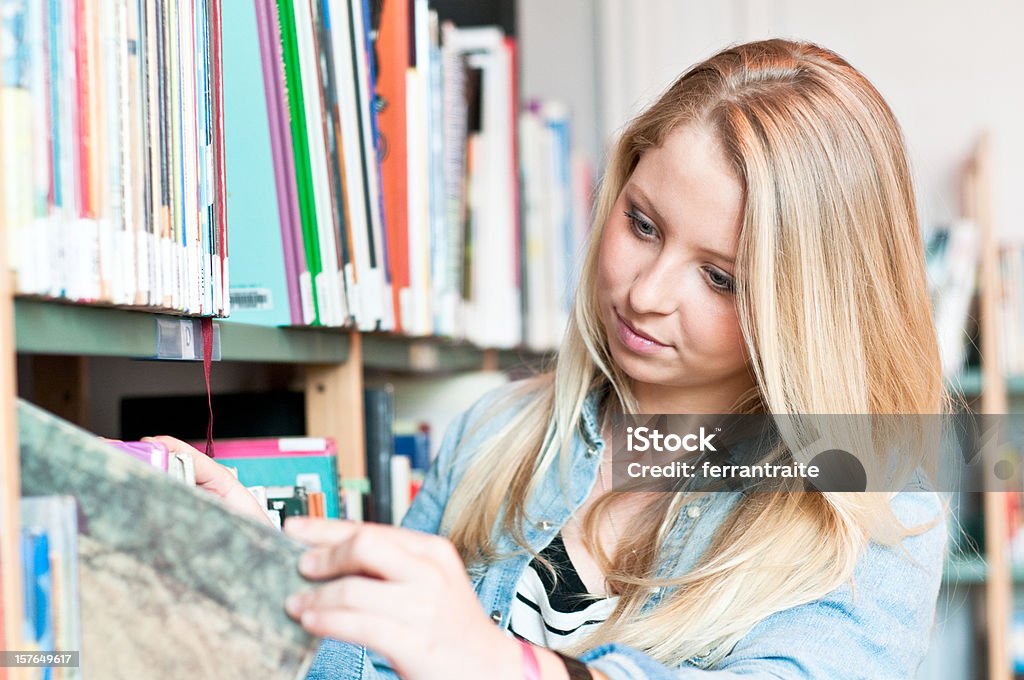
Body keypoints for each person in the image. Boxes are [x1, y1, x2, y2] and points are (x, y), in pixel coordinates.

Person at [151, 38, 951, 679]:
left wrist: (497, 663)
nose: (646, 293)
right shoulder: (495, 434)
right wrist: (269, 568)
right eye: (642, 223)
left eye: (718, 278)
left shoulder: (873, 507)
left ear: (809, 310)